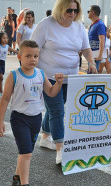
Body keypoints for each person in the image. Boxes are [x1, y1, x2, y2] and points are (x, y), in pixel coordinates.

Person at [31, 0, 97, 164]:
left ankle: (45, 137)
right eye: (69, 10)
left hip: (71, 77)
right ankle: (61, 150)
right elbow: (32, 48)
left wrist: (91, 62)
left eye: (76, 11)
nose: (72, 14)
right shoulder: (46, 25)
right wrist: (32, 71)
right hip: (49, 76)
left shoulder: (79, 26)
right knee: (58, 111)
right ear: (60, 8)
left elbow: (86, 48)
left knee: (56, 109)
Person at [0, 40, 64, 186]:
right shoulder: (14, 75)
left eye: (35, 56)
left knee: (25, 151)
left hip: (36, 119)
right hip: (19, 119)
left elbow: (51, 92)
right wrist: (1, 121)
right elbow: (4, 100)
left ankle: (17, 177)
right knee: (27, 153)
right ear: (19, 57)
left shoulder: (41, 74)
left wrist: (58, 83)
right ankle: (25, 183)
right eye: (28, 56)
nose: (32, 59)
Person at [88, 5, 106, 71]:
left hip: (96, 54)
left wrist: (100, 55)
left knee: (93, 75)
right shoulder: (93, 24)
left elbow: (102, 40)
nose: (88, 13)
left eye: (88, 11)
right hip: (91, 53)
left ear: (92, 12)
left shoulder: (100, 24)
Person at [0, 32, 18, 97]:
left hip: (3, 62)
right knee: (1, 76)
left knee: (1, 78)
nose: (5, 39)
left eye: (6, 38)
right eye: (3, 38)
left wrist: (20, 52)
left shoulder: (7, 46)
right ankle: (1, 90)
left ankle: (0, 90)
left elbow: (14, 50)